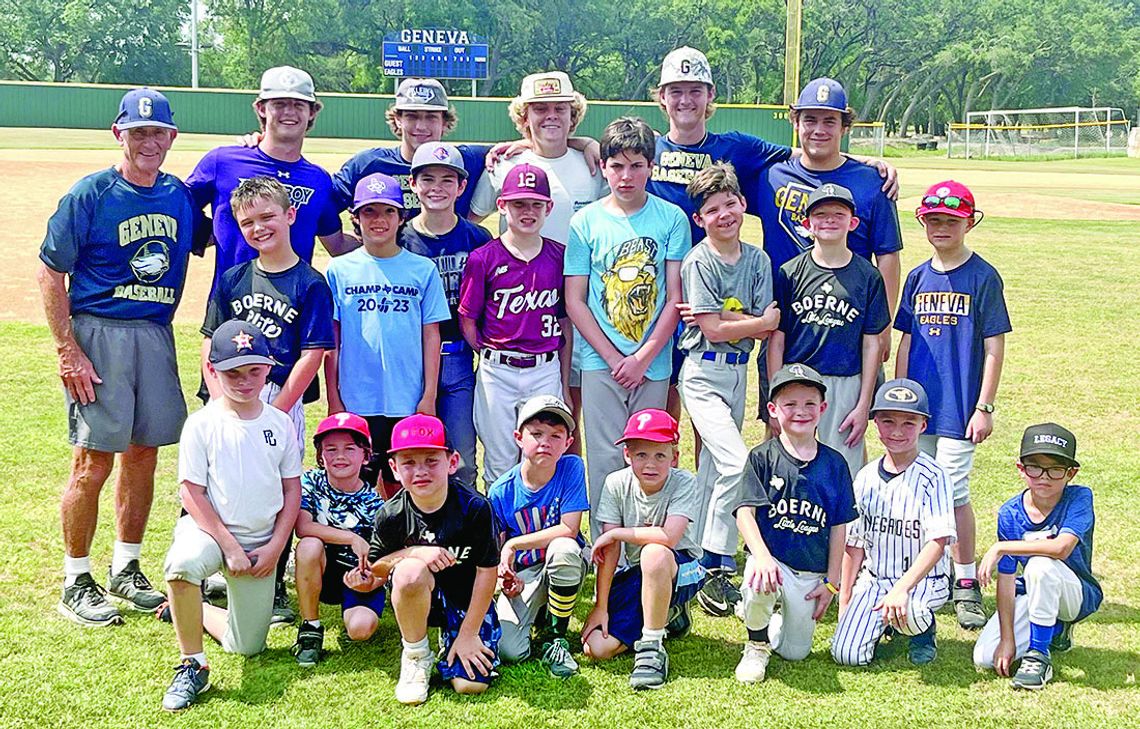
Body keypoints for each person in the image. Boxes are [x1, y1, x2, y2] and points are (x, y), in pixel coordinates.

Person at [40, 87, 199, 626]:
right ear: (118, 134)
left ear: (172, 138)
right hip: (99, 333)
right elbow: (50, 270)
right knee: (93, 460)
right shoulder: (91, 193)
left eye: (158, 133)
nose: (148, 142)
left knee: (144, 453)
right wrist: (68, 350)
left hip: (155, 332)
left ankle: (125, 567)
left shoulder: (178, 195)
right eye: (138, 132)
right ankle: (75, 579)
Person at [201, 175, 334, 624]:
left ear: (290, 215)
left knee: (275, 488)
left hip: (279, 396)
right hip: (228, 391)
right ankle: (207, 574)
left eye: (267, 217)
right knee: (214, 478)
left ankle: (273, 583)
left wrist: (271, 414)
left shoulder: (310, 282)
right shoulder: (234, 277)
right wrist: (220, 396)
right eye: (247, 222)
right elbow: (209, 341)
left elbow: (312, 352)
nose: (258, 228)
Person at [160, 321, 302, 711]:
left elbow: (292, 491)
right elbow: (191, 492)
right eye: (232, 373)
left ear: (269, 369)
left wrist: (275, 548)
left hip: (260, 544)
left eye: (253, 371)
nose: (244, 381)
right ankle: (193, 663)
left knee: (246, 646)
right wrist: (228, 546)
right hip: (211, 533)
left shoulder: (279, 422)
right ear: (213, 371)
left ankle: (192, 609)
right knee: (181, 565)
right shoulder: (202, 423)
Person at [894, 180, 1011, 629]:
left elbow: (994, 347)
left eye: (951, 220)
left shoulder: (983, 276)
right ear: (923, 223)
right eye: (934, 220)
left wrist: (985, 406)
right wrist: (901, 397)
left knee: (953, 492)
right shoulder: (918, 277)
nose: (942, 227)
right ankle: (925, 575)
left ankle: (965, 581)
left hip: (961, 406)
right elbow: (906, 340)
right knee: (917, 492)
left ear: (969, 222)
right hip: (920, 406)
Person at [565, 117, 689, 537]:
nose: (626, 175)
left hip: (652, 361)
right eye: (617, 165)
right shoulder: (587, 223)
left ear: (651, 167)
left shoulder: (671, 218)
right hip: (601, 361)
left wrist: (642, 357)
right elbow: (575, 301)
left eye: (637, 165)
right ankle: (605, 539)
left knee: (648, 451)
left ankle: (643, 536)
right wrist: (616, 357)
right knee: (602, 453)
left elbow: (675, 297)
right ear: (603, 168)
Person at [468, 71, 608, 442]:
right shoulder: (505, 165)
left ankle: (565, 498)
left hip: (579, 308)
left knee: (564, 422)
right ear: (523, 117)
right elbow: (470, 219)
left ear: (572, 115)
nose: (550, 116)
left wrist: (587, 143)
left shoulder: (592, 165)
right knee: (508, 438)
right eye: (539, 109)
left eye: (559, 109)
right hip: (520, 314)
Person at [755, 77, 904, 421]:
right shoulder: (771, 175)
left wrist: (882, 327)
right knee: (779, 423)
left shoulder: (871, 182)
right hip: (787, 325)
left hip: (847, 324)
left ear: (845, 126)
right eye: (809, 119)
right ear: (795, 122)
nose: (818, 129)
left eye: (829, 121)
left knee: (847, 425)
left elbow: (888, 256)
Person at [672, 163, 779, 616]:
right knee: (738, 462)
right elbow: (716, 330)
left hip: (738, 373)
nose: (723, 215)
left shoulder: (757, 259)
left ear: (742, 204)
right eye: (712, 209)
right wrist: (756, 324)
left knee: (716, 469)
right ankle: (717, 562)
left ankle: (693, 556)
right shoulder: (700, 260)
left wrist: (730, 320)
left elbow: (737, 319)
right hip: (702, 371)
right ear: (700, 219)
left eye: (729, 204)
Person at [343, 414, 500, 705]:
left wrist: (468, 634)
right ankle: (416, 655)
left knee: (469, 685)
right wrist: (411, 554)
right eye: (409, 463)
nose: (420, 471)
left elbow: (487, 571)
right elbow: (377, 571)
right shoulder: (390, 515)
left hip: (464, 600)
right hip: (418, 598)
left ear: (452, 462)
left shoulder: (476, 508)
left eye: (431, 460)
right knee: (410, 570)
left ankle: (453, 637)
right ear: (394, 468)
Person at [324, 173, 450, 497]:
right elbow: (331, 341)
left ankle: (403, 545)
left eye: (387, 212)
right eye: (369, 212)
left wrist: (429, 394)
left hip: (407, 395)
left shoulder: (422, 269)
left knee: (406, 481)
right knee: (357, 482)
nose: (378, 220)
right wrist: (335, 398)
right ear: (355, 218)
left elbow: (432, 335)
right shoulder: (340, 270)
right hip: (356, 396)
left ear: (401, 217)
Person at [732, 364, 857, 681]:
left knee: (795, 652)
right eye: (790, 404)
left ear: (822, 408)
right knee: (758, 580)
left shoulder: (835, 464)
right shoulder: (762, 457)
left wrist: (831, 582)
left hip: (810, 573)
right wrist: (760, 556)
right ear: (773, 409)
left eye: (809, 404)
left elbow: (839, 526)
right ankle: (756, 644)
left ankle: (770, 623)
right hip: (773, 563)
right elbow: (744, 511)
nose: (800, 411)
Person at [187, 65, 350, 295]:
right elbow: (178, 206)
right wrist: (206, 233)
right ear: (261, 108)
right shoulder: (222, 161)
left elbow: (337, 244)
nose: (289, 112)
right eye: (279, 104)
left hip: (292, 311)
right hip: (230, 308)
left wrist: (398, 246)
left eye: (298, 104)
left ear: (312, 112)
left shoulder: (319, 180)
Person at [831, 379, 955, 667]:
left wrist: (901, 589)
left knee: (911, 612)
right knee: (845, 655)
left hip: (924, 582)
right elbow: (855, 544)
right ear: (875, 423)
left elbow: (938, 542)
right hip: (876, 579)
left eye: (909, 422)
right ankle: (885, 624)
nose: (897, 431)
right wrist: (845, 603)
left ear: (923, 425)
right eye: (888, 421)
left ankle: (921, 632)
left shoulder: (934, 476)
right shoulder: (865, 477)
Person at [460, 164, 571, 487]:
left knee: (543, 456)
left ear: (549, 208)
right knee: (499, 459)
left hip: (544, 367)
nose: (528, 211)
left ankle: (540, 533)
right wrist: (490, 351)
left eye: (536, 204)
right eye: (519, 203)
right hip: (498, 369)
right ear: (502, 205)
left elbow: (565, 323)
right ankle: (500, 535)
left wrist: (563, 381)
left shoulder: (558, 256)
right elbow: (468, 319)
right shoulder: (483, 258)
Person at [769, 184, 889, 478]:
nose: (830, 220)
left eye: (839, 213)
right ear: (807, 224)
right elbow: (777, 339)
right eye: (821, 214)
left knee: (841, 467)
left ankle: (842, 526)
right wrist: (774, 391)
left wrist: (863, 405)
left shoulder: (867, 275)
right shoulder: (790, 272)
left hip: (845, 382)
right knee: (791, 464)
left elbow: (872, 343)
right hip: (796, 381)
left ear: (854, 223)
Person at [582, 409, 706, 690]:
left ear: (674, 457)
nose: (650, 464)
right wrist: (601, 607)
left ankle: (652, 646)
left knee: (654, 552)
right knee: (597, 649)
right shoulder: (616, 483)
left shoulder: (684, 481)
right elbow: (609, 551)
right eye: (641, 455)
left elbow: (669, 537)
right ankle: (668, 615)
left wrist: (615, 532)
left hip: (681, 568)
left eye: (660, 455)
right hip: (640, 572)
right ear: (627, 455)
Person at [973, 423, 1101, 690]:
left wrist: (1001, 547)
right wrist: (1007, 638)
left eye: (1055, 469)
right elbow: (1006, 580)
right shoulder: (1010, 513)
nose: (1044, 477)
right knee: (985, 657)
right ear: (1021, 469)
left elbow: (1061, 548)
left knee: (1040, 565)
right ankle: (1054, 630)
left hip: (1074, 594)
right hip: (1034, 590)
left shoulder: (1078, 497)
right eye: (1034, 467)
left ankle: (1039, 654)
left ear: (1071, 473)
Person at [401, 141, 493, 488]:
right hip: (410, 359)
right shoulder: (401, 237)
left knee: (464, 460)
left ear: (462, 186)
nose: (436, 188)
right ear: (414, 184)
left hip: (457, 357)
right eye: (427, 179)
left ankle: (464, 531)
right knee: (409, 454)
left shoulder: (477, 237)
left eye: (447, 180)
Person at [488, 396, 588, 677]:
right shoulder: (501, 491)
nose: (546, 442)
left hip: (565, 564)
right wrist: (506, 576)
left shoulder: (571, 468)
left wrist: (515, 543)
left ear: (568, 442)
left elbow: (569, 528)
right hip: (527, 573)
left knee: (565, 547)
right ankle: (542, 612)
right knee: (510, 651)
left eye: (557, 436)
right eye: (536, 434)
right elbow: (497, 555)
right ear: (519, 438)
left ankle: (556, 637)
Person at [292, 412, 386, 667]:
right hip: (321, 569)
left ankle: (357, 605)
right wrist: (351, 537)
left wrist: (367, 580)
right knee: (309, 545)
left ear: (366, 455)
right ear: (320, 455)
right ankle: (310, 628)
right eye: (330, 449)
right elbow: (303, 526)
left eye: (349, 449)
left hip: (356, 575)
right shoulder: (311, 481)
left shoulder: (375, 503)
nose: (340, 456)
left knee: (360, 630)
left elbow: (382, 557)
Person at [333, 79, 490, 218]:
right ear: (398, 119)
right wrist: (340, 243)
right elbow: (323, 204)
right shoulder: (369, 164)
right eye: (412, 116)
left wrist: (513, 145)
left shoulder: (465, 160)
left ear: (444, 121)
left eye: (431, 117)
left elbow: (511, 157)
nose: (421, 126)